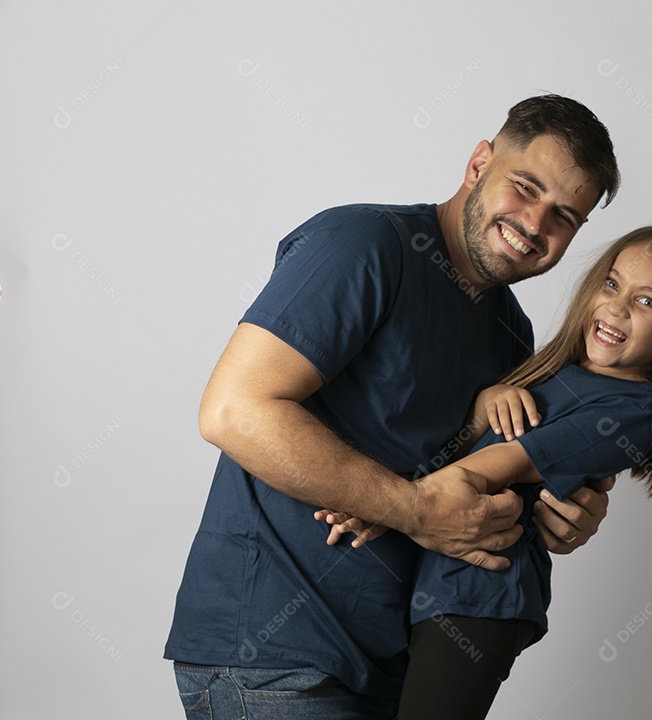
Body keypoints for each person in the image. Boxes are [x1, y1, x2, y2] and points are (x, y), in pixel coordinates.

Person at [165, 95, 622, 719]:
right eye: (525, 187)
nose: (535, 223)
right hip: (274, 657)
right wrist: (412, 508)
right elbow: (234, 410)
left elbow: (468, 479)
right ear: (478, 164)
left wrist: (560, 510)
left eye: (564, 215)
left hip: (394, 670)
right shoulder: (364, 244)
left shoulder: (511, 335)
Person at [320, 226, 652, 719]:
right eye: (612, 285)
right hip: (433, 582)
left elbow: (503, 465)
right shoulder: (552, 373)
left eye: (647, 302)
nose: (617, 308)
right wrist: (490, 403)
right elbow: (461, 451)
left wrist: (385, 506)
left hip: (481, 596)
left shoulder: (637, 410)